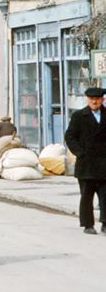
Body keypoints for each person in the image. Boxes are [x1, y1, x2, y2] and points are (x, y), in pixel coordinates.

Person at [64, 86, 106, 235]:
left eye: (98, 99)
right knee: (87, 195)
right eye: (92, 99)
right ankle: (88, 224)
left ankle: (105, 223)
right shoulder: (79, 116)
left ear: (103, 99)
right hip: (86, 163)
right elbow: (70, 136)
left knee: (105, 195)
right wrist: (80, 153)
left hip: (104, 163)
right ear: (87, 100)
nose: (95, 101)